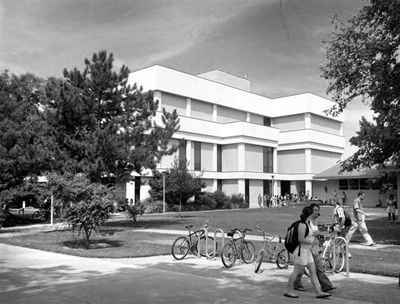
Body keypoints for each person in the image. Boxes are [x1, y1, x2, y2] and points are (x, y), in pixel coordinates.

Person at [284, 206, 332, 299]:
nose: (315, 213)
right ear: (309, 214)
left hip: (307, 251)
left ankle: (318, 292)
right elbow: (301, 239)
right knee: (297, 271)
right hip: (301, 251)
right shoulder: (302, 225)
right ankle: (289, 291)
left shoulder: (307, 223)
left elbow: (309, 235)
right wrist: (312, 242)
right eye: (313, 212)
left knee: (313, 271)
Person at [294, 203, 337, 293]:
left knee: (316, 267)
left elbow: (314, 233)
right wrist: (316, 234)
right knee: (302, 268)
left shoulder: (314, 221)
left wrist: (320, 236)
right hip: (306, 247)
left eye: (318, 210)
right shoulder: (307, 221)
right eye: (315, 210)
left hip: (313, 247)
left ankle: (326, 285)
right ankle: (296, 284)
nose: (317, 212)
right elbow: (304, 235)